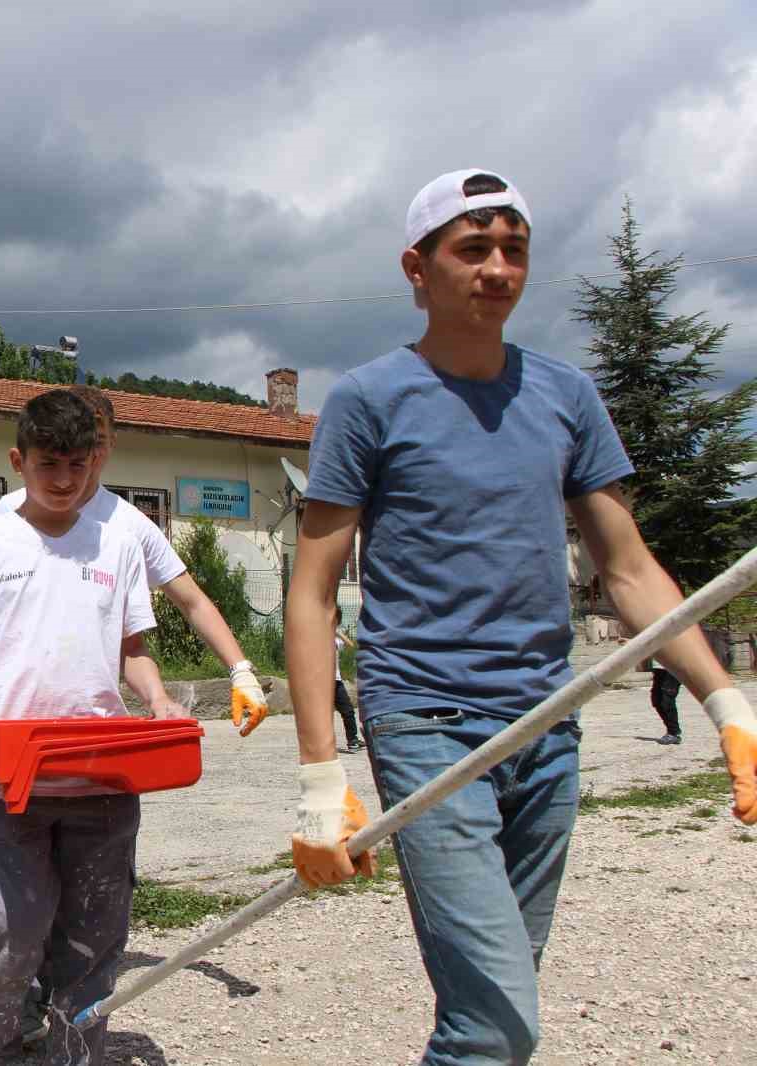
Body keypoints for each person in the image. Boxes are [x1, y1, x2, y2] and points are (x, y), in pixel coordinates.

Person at [284, 168, 757, 1066]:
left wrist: (728, 706)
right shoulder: (369, 400)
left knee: (494, 1012)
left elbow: (629, 570)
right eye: (474, 249)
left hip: (547, 723)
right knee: (497, 1023)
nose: (499, 268)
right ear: (417, 268)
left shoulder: (565, 397)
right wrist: (318, 782)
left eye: (515, 249)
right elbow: (310, 596)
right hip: (425, 723)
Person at [0, 389, 185, 1066]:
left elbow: (133, 649)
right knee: (16, 924)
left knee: (95, 936)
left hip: (104, 775)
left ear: (95, 459)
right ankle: (0, 1047)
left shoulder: (120, 541)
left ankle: (76, 1054)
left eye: (77, 462)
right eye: (49, 463)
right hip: (9, 773)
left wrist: (157, 700)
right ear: (19, 460)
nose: (65, 479)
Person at [0, 383, 268, 735]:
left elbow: (191, 601)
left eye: (97, 442)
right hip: (11, 716)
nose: (82, 456)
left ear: (107, 445)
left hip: (91, 721)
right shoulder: (7, 512)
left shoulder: (129, 528)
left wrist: (240, 669)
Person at [333, 606, 362, 753]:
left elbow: (350, 645)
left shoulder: (336, 638)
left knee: (348, 711)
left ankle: (353, 739)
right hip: (321, 681)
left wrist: (337, 631)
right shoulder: (316, 633)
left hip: (335, 680)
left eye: (336, 619)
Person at [649, 664, 682, 744]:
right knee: (656, 699)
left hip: (673, 667)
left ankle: (673, 733)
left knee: (666, 699)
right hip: (659, 668)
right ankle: (672, 731)